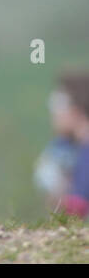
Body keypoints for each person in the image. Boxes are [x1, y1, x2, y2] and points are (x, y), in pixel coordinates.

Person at [52, 72, 89, 219]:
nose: (54, 113)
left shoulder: (85, 155)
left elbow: (77, 209)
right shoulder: (74, 150)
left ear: (76, 108)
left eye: (58, 105)